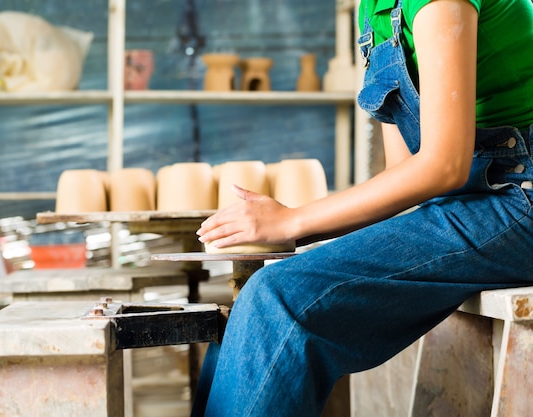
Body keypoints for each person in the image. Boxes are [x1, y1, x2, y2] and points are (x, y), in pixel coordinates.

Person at [190, 0, 533, 416]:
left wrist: (293, 221)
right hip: (477, 200)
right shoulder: (374, 10)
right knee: (246, 311)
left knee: (276, 299)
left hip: (520, 196)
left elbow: (443, 165)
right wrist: (292, 230)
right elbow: (404, 173)